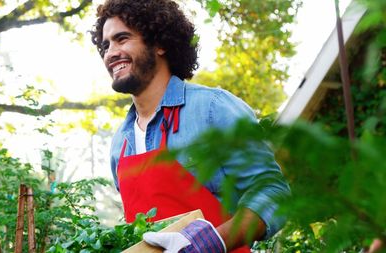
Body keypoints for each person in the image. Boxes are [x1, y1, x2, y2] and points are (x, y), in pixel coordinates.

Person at [90, 0, 291, 252]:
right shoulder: (120, 143)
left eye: (122, 38)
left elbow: (273, 192)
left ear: (160, 43)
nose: (110, 52)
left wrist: (214, 241)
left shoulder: (213, 109)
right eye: (106, 45)